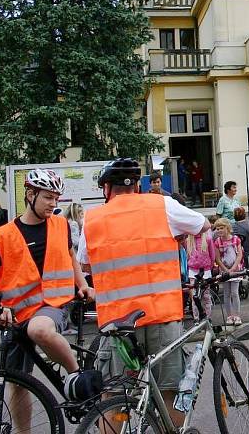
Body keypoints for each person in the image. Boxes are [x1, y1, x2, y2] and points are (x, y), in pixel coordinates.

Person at [78, 158, 210, 428]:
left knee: (113, 394)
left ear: (106, 188)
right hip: (161, 316)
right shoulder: (162, 205)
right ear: (137, 185)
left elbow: (85, 263)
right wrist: (176, 236)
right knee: (168, 390)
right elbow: (203, 225)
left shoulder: (93, 218)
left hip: (118, 323)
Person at [0, 168, 98, 426]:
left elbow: (70, 256)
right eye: (48, 198)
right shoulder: (3, 235)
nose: (53, 204)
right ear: (30, 195)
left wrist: (83, 284)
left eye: (56, 198)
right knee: (17, 383)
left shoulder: (60, 224)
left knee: (40, 329)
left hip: (54, 305)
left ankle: (77, 375)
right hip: (15, 316)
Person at [214, 218, 244, 325]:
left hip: (235, 270)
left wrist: (233, 268)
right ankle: (229, 316)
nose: (219, 230)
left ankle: (237, 315)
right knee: (226, 293)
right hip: (224, 270)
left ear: (228, 228)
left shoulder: (236, 239)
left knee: (235, 293)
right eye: (217, 229)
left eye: (221, 228)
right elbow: (217, 258)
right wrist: (226, 270)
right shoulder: (217, 242)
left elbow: (239, 254)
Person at [186, 219, 216, 321]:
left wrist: (210, 267)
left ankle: (207, 318)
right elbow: (187, 256)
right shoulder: (188, 241)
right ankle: (197, 318)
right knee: (195, 297)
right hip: (193, 271)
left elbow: (212, 255)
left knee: (206, 296)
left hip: (205, 271)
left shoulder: (207, 239)